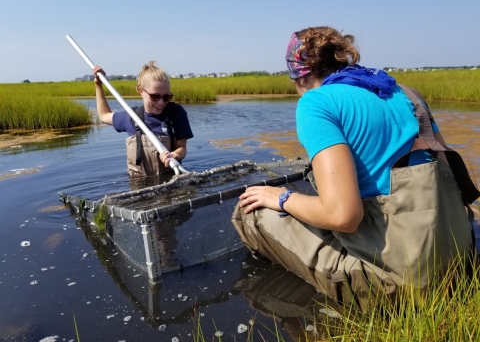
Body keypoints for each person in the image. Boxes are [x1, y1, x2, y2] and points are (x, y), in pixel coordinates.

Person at [232, 26, 478, 305]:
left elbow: (343, 217)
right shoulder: (405, 93)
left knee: (248, 212)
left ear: (298, 75)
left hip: (401, 285)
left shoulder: (316, 103)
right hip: (461, 263)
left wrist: (281, 197)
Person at [93, 62, 193, 178]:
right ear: (140, 90)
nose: (161, 102)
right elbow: (104, 116)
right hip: (138, 181)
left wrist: (174, 155)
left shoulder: (176, 113)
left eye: (166, 97)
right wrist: (99, 85)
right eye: (155, 96)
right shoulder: (131, 116)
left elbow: (182, 147)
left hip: (170, 177)